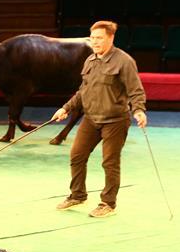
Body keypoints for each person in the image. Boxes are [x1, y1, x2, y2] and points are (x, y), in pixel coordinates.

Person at [53, 20, 147, 218]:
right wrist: (66, 108)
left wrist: (139, 110)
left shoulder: (124, 61)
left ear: (111, 38)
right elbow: (82, 91)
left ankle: (108, 203)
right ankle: (78, 195)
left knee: (110, 163)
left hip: (115, 121)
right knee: (77, 155)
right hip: (91, 119)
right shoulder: (90, 60)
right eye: (92, 38)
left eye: (99, 38)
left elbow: (136, 90)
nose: (94, 42)